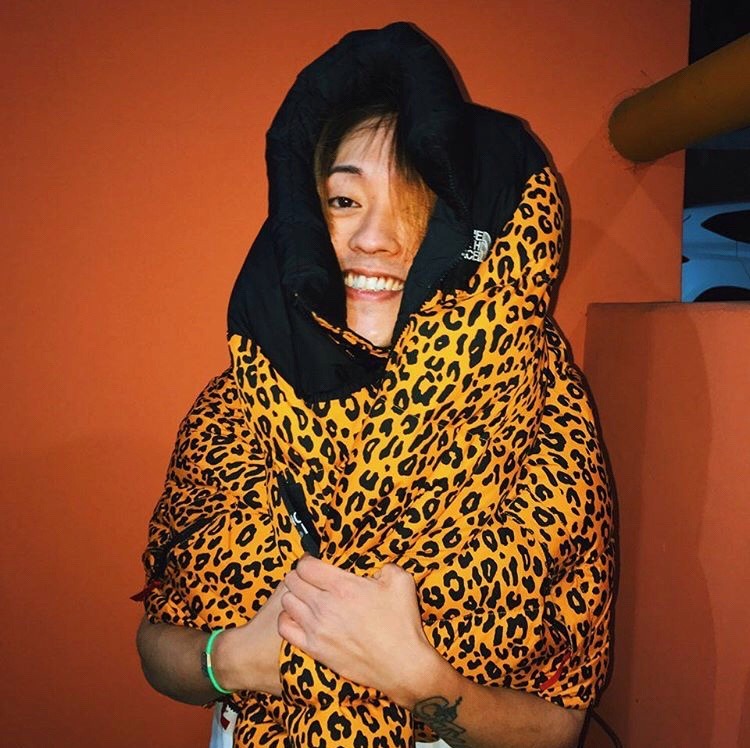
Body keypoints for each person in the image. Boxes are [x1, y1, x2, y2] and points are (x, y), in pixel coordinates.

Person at [135, 22, 614, 748]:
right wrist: (236, 659)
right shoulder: (232, 407)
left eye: (420, 208)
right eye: (343, 201)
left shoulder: (549, 426)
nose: (372, 240)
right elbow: (154, 644)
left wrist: (418, 680)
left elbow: (560, 726)